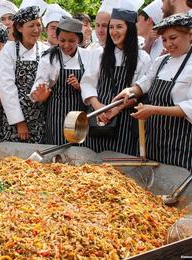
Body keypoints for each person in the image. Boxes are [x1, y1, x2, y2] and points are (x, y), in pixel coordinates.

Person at [115, 13, 192, 171]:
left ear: (190, 35)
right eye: (164, 40)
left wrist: (154, 110)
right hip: (154, 140)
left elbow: (190, 107)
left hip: (181, 144)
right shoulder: (161, 61)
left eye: (173, 38)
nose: (168, 44)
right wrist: (130, 90)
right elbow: (145, 83)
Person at [80, 8, 151, 156]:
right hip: (98, 118)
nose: (113, 31)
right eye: (111, 27)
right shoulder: (99, 53)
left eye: (119, 27)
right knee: (92, 165)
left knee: (119, 165)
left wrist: (116, 109)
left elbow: (140, 92)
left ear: (130, 29)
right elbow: (87, 83)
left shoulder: (143, 58)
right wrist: (98, 107)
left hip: (124, 120)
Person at [30, 16, 89, 145]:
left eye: (71, 41)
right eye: (62, 40)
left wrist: (80, 86)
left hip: (80, 114)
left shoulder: (87, 56)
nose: (66, 45)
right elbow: (39, 85)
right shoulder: (50, 59)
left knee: (80, 148)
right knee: (59, 147)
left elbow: (93, 86)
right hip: (57, 115)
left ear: (79, 39)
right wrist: (39, 95)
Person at [0, 6, 49, 143]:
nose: (36, 30)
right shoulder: (9, 50)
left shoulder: (45, 50)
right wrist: (19, 121)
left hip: (40, 114)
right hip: (15, 117)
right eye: (31, 25)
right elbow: (6, 88)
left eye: (38, 25)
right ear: (20, 28)